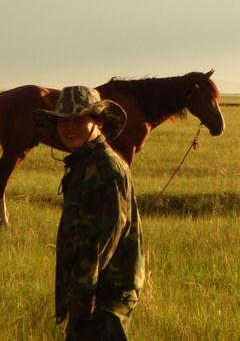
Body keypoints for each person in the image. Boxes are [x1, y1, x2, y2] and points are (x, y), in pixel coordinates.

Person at [33, 86, 145, 340]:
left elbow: (99, 244)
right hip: (93, 292)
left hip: (104, 295)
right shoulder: (86, 163)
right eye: (63, 120)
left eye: (79, 118)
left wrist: (81, 304)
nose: (68, 126)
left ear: (99, 122)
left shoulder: (105, 168)